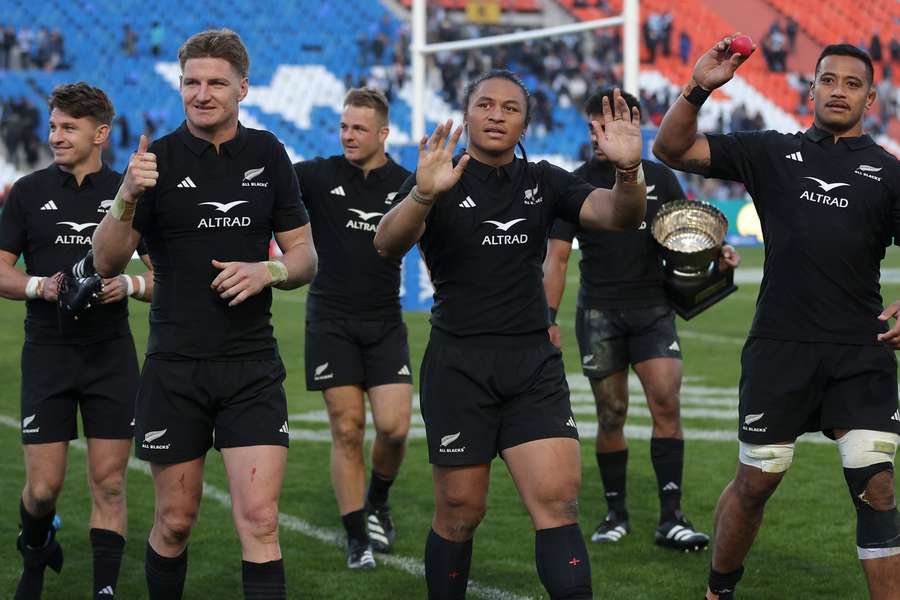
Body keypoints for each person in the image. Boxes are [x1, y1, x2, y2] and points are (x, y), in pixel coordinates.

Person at [374, 69, 646, 599]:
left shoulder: (545, 180)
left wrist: (629, 170)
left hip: (532, 365)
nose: (496, 114)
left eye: (510, 108)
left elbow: (618, 216)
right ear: (467, 112)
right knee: (460, 511)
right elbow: (386, 244)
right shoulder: (437, 175)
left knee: (558, 505)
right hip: (458, 366)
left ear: (525, 123)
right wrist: (424, 196)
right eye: (485, 104)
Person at [653, 38, 900, 599]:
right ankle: (720, 589)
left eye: (853, 83)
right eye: (829, 80)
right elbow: (672, 148)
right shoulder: (769, 151)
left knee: (877, 487)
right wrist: (699, 87)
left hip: (860, 351)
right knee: (757, 481)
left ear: (870, 99)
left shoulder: (889, 173)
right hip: (779, 347)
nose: (839, 90)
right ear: (811, 89)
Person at [91, 29, 317, 600]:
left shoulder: (268, 154)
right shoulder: (155, 161)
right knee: (174, 522)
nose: (202, 93)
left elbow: (305, 256)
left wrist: (268, 271)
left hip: (251, 368)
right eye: (191, 82)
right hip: (175, 369)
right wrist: (126, 196)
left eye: (216, 82)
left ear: (243, 87)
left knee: (261, 522)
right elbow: (105, 260)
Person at [543, 88, 740, 553]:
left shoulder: (661, 179)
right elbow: (556, 259)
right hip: (599, 313)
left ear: (629, 124)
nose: (596, 136)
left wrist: (717, 259)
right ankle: (616, 513)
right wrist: (546, 319)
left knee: (666, 404)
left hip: (653, 309)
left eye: (605, 126)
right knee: (611, 415)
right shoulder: (576, 183)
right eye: (591, 127)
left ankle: (671, 517)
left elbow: (685, 242)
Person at [0, 82, 153, 600]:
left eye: (69, 127)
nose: (56, 136)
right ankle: (36, 551)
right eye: (53, 126)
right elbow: (0, 270)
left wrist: (128, 284)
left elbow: (164, 279)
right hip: (48, 354)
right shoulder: (26, 191)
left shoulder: (130, 192)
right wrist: (39, 286)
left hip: (111, 355)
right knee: (42, 491)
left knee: (109, 484)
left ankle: (104, 591)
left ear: (100, 134)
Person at [293, 88, 412, 570]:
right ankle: (356, 534)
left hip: (385, 321)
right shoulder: (317, 175)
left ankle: (378, 499)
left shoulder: (406, 184)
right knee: (347, 429)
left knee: (394, 428)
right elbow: (264, 188)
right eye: (344, 126)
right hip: (331, 320)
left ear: (383, 133)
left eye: (359, 128)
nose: (348, 135)